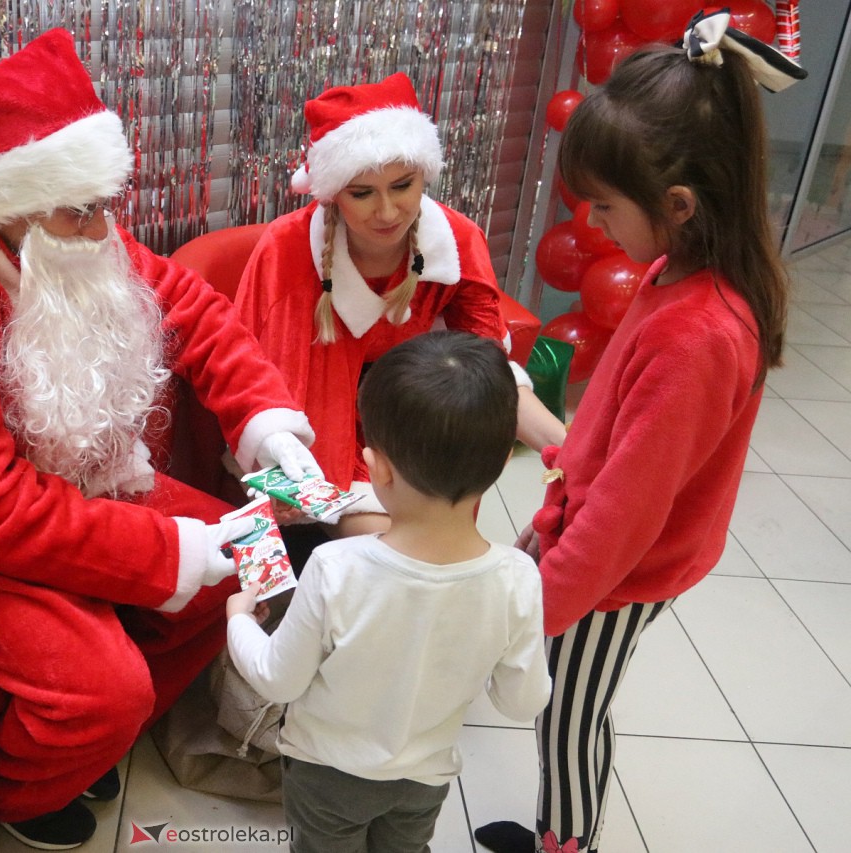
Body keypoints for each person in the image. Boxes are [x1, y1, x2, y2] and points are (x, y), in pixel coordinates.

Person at [0, 28, 324, 850]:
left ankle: (90, 740)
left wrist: (265, 422)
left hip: (74, 479)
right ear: (9, 198)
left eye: (104, 207)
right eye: (81, 211)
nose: (103, 233)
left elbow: (190, 310)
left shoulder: (64, 228)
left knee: (255, 549)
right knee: (103, 688)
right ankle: (12, 788)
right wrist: (170, 552)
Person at [474, 11, 806, 853]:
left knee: (568, 714)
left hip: (622, 571)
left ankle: (566, 843)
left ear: (680, 205)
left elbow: (627, 514)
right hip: (592, 531)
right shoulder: (678, 269)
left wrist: (538, 609)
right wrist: (550, 441)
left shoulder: (700, 333)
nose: (598, 224)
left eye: (605, 206)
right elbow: (621, 440)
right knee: (564, 695)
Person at [226, 331, 553, 853]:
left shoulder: (335, 567)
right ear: (497, 466)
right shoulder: (517, 576)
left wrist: (238, 617)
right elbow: (523, 700)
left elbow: (277, 679)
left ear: (376, 467)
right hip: (424, 778)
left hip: (326, 773)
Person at [234, 72, 567, 544]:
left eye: (403, 185)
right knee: (399, 561)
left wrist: (570, 456)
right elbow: (259, 380)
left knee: (437, 558)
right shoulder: (287, 250)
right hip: (314, 437)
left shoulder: (457, 240)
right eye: (362, 193)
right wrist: (286, 475)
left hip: (412, 433)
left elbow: (487, 370)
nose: (388, 212)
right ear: (333, 193)